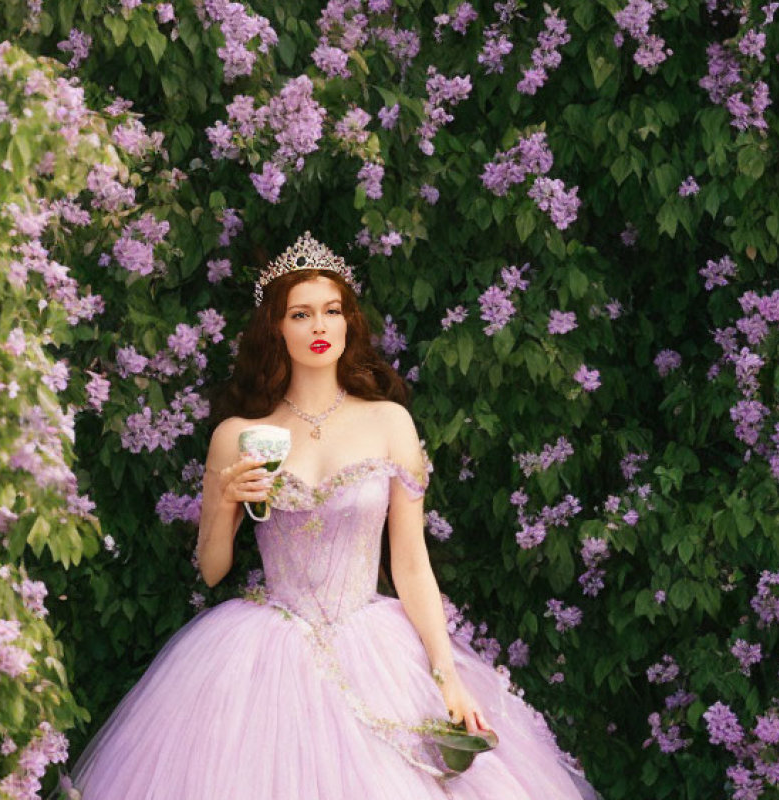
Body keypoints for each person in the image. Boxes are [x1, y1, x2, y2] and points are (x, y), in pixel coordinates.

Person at [63, 232, 599, 799]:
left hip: (375, 643)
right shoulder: (237, 436)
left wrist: (445, 676)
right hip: (265, 655)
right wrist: (223, 501)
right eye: (301, 314)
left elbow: (411, 562)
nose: (319, 326)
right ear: (277, 328)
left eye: (332, 311)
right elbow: (213, 569)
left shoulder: (390, 422)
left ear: (349, 323)